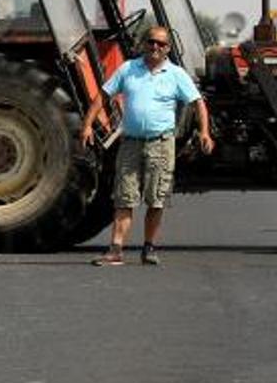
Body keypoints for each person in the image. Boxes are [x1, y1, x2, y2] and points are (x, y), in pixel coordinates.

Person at [79, 26, 214, 265]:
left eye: (161, 44)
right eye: (151, 42)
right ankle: (116, 249)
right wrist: (88, 125)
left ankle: (149, 247)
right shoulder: (128, 69)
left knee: (156, 198)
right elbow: (103, 96)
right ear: (144, 44)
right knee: (124, 196)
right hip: (130, 143)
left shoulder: (176, 75)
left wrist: (204, 132)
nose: (155, 47)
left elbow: (198, 103)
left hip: (160, 144)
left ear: (168, 49)